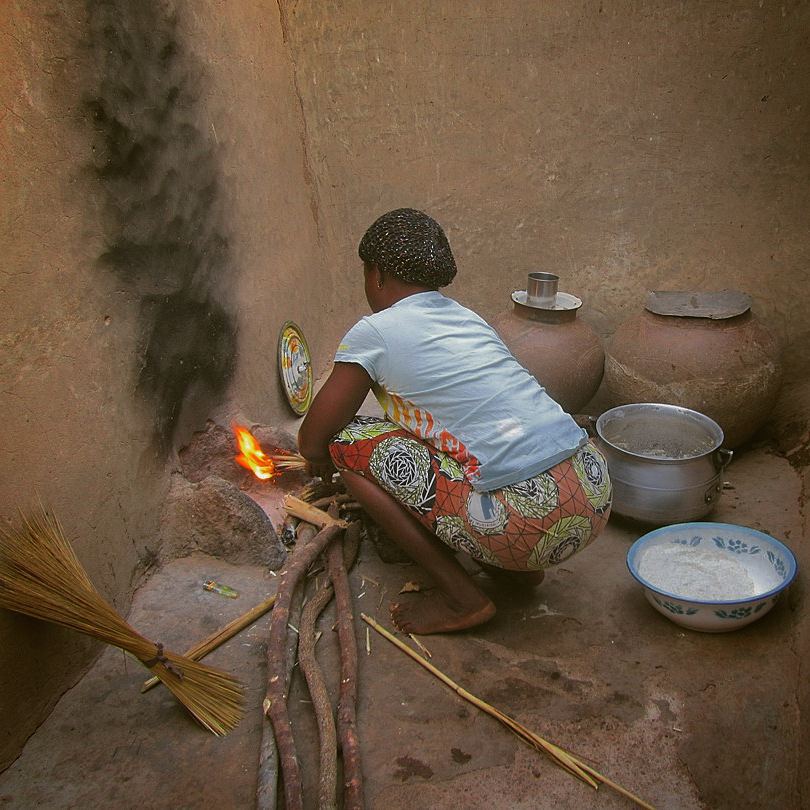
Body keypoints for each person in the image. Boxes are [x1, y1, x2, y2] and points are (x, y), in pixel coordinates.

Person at [298, 208, 612, 635]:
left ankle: (461, 597)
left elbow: (315, 437)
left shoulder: (375, 331)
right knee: (460, 446)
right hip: (592, 490)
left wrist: (317, 460)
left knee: (350, 446)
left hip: (525, 523)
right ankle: (516, 572)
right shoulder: (467, 318)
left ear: (377, 275)